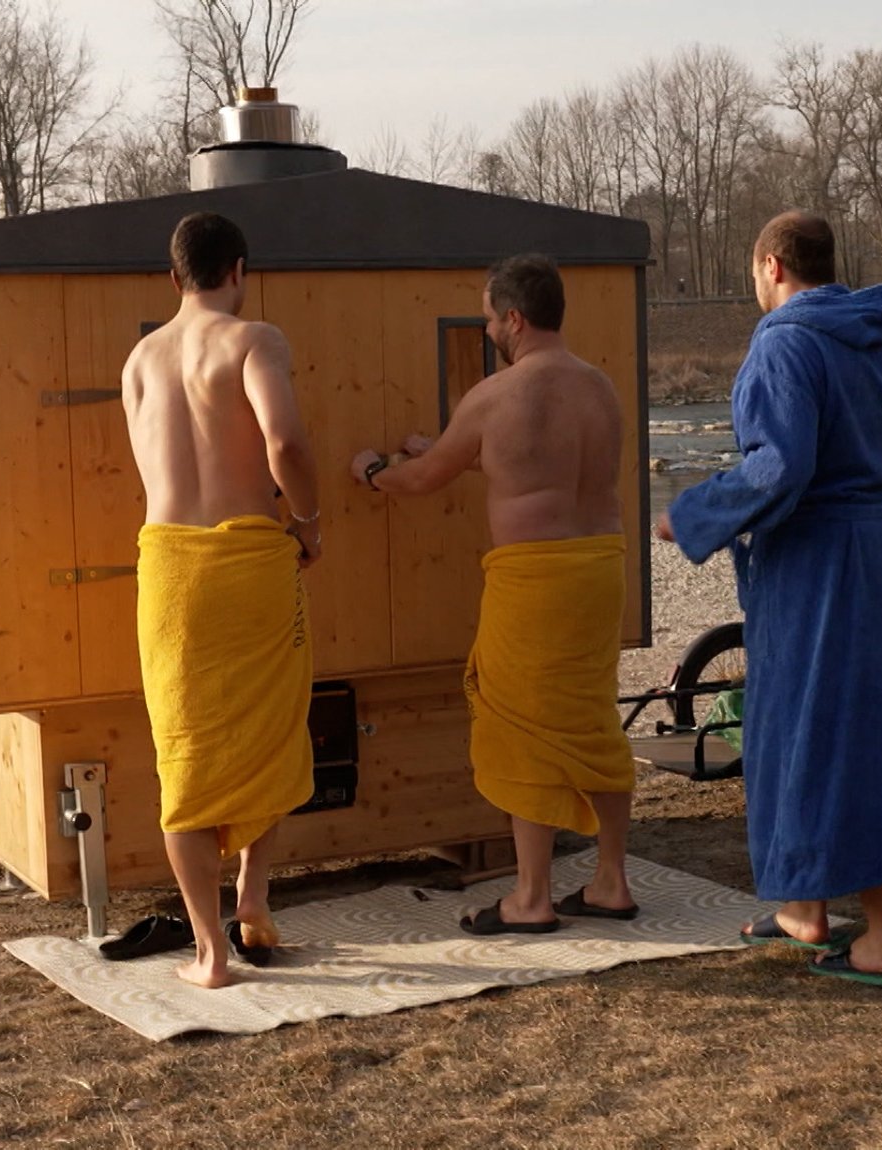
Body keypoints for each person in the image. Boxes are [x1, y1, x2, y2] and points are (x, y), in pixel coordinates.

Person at [657, 211, 882, 989]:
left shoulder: (786, 342)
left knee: (820, 728)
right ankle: (803, 908)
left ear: (771, 266)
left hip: (819, 560)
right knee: (860, 725)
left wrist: (690, 514)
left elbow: (780, 466)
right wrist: (879, 504)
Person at [351, 253, 637, 935]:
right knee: (591, 718)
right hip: (600, 568)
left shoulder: (494, 396)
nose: (486, 332)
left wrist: (370, 472)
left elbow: (420, 482)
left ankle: (531, 898)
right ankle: (612, 883)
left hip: (533, 580)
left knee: (520, 725)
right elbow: (538, 467)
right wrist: (455, 446)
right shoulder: (601, 389)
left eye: (488, 319)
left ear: (514, 317)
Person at [121, 211, 322, 989]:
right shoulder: (253, 342)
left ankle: (211, 952)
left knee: (187, 755)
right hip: (247, 559)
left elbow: (149, 465)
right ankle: (256, 897)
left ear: (173, 278)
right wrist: (307, 522)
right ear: (239, 269)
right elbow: (289, 445)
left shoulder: (138, 361)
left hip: (169, 568)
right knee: (270, 728)